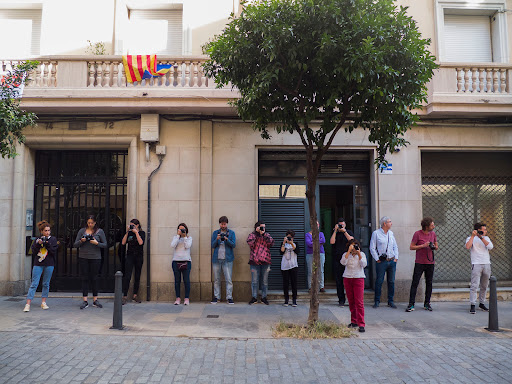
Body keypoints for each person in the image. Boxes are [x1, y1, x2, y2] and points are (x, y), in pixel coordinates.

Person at [74, 215, 107, 309]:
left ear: (95, 223)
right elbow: (75, 244)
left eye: (92, 223)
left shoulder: (100, 231)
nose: (90, 224)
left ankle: (95, 299)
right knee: (84, 278)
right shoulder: (82, 231)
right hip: (83, 257)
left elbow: (105, 245)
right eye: (88, 223)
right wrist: (82, 240)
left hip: (95, 257)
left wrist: (96, 243)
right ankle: (85, 300)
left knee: (95, 278)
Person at [23, 221, 58, 312]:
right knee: (34, 283)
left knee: (46, 283)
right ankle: (28, 303)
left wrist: (46, 244)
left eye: (49, 230)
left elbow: (53, 251)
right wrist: (38, 244)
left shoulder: (53, 239)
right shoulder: (37, 239)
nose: (47, 232)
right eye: (45, 230)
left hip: (49, 264)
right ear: (41, 231)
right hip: (38, 264)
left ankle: (43, 302)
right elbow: (33, 252)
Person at [406, 217, 438, 312]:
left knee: (429, 283)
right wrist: (423, 246)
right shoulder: (417, 234)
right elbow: (411, 247)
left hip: (430, 262)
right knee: (415, 283)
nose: (433, 226)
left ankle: (427, 303)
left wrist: (433, 247)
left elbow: (437, 246)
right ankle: (411, 304)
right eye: (432, 225)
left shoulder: (433, 234)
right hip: (419, 262)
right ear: (426, 226)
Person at [370, 216, 399, 308]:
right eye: (390, 222)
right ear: (384, 223)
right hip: (381, 262)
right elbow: (372, 247)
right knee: (379, 281)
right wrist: (377, 259)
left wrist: (396, 258)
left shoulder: (391, 233)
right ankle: (377, 301)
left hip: (391, 261)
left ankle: (390, 301)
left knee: (391, 281)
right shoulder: (376, 233)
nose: (391, 223)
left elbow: (395, 246)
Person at [465, 223, 493, 314]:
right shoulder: (470, 238)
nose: (485, 231)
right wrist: (474, 236)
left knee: (484, 285)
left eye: (485, 230)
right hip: (476, 264)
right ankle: (472, 304)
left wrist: (481, 237)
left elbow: (490, 247)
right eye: (483, 230)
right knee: (474, 285)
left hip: (486, 263)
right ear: (477, 230)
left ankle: (482, 303)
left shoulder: (486, 238)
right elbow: (468, 247)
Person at [341, 239, 367, 333]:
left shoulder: (362, 254)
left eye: (355, 246)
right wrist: (349, 251)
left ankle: (361, 323)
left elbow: (363, 264)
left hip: (358, 278)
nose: (354, 248)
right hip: (347, 278)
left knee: (359, 302)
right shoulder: (345, 254)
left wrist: (359, 253)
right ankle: (354, 321)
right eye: (352, 246)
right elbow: (343, 262)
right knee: (351, 301)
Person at [247, 220, 274, 305]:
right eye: (261, 227)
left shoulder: (267, 235)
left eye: (264, 227)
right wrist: (256, 233)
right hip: (254, 262)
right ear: (256, 227)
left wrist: (264, 234)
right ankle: (254, 297)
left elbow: (271, 243)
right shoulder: (252, 235)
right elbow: (250, 243)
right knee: (254, 281)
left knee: (265, 281)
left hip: (266, 261)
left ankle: (264, 297)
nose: (263, 229)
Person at [211, 216, 236, 304]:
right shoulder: (215, 233)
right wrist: (217, 239)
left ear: (227, 224)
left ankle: (229, 297)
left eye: (224, 224)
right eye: (222, 224)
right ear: (219, 224)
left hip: (227, 259)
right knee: (217, 279)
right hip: (217, 259)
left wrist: (227, 239)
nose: (223, 226)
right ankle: (217, 297)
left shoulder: (231, 233)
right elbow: (212, 246)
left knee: (228, 279)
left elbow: (233, 245)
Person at [330, 218, 354, 306]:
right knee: (339, 280)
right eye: (339, 225)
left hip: (347, 259)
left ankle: (350, 299)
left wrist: (344, 231)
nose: (341, 226)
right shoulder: (335, 233)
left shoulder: (349, 232)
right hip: (337, 259)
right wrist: (335, 231)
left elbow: (351, 240)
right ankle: (341, 300)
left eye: (342, 225)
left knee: (348, 280)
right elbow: (332, 242)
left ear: (345, 225)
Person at [121, 219, 145, 305]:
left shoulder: (142, 233)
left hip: (139, 256)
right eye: (130, 225)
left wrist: (136, 232)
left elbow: (141, 242)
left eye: (133, 225)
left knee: (137, 276)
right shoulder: (129, 233)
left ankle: (135, 295)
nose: (132, 227)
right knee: (127, 275)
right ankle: (124, 296)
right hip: (130, 256)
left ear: (137, 225)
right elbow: (123, 243)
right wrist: (127, 232)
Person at [171, 223, 193, 305]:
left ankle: (186, 298)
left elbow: (187, 246)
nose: (181, 231)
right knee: (177, 281)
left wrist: (184, 237)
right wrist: (178, 236)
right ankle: (178, 298)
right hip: (176, 261)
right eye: (180, 229)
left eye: (183, 229)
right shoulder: (175, 238)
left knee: (186, 281)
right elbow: (172, 245)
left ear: (186, 230)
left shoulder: (189, 238)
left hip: (186, 261)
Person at [280, 230, 300, 307]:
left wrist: (291, 243)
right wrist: (284, 243)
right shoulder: (283, 244)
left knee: (294, 283)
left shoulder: (295, 244)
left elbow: (297, 251)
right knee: (285, 283)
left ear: (293, 238)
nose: (289, 238)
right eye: (288, 237)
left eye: (290, 237)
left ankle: (294, 300)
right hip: (285, 266)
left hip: (293, 265)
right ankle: (286, 300)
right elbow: (281, 252)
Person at [305, 221, 326, 292]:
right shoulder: (307, 235)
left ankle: (321, 286)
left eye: (317, 224)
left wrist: (313, 242)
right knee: (311, 271)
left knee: (321, 270)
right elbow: (309, 244)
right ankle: (311, 287)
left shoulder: (321, 234)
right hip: (310, 254)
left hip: (320, 253)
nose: (316, 225)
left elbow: (323, 240)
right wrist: (318, 242)